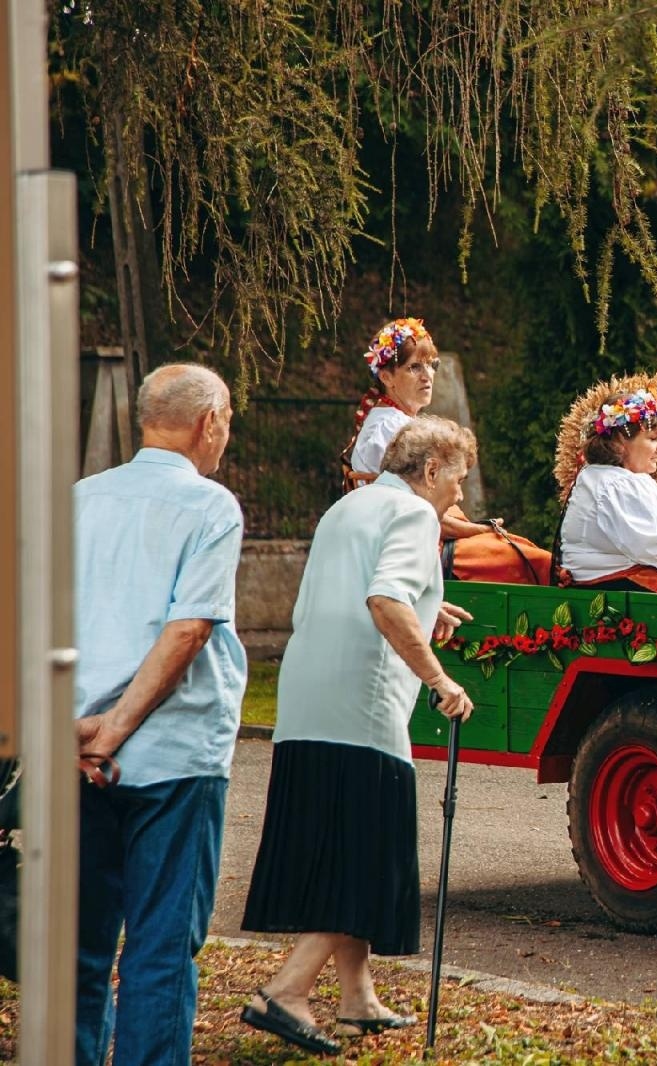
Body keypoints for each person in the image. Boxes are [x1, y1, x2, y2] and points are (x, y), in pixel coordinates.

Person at [240, 415, 477, 1056]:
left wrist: (432, 604)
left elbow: (367, 588)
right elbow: (384, 600)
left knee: (338, 838)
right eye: (458, 478)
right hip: (363, 707)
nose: (460, 495)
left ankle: (357, 996)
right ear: (430, 470)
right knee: (365, 850)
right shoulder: (419, 517)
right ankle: (285, 991)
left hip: (309, 698)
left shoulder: (346, 507)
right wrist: (438, 679)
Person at [73, 363, 245, 1066]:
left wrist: (74, 728)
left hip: (76, 751)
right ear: (209, 423)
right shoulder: (211, 506)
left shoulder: (79, 499)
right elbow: (188, 630)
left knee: (79, 950)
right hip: (172, 754)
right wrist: (117, 729)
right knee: (160, 948)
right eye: (227, 420)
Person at [342, 317, 490, 541]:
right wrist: (482, 531)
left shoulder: (392, 419)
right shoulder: (392, 428)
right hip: (404, 540)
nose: (428, 375)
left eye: (432, 364)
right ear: (386, 377)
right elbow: (421, 513)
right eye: (414, 367)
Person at [558, 388, 657, 592]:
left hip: (598, 587)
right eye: (652, 438)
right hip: (618, 591)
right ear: (618, 442)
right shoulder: (619, 486)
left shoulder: (594, 476)